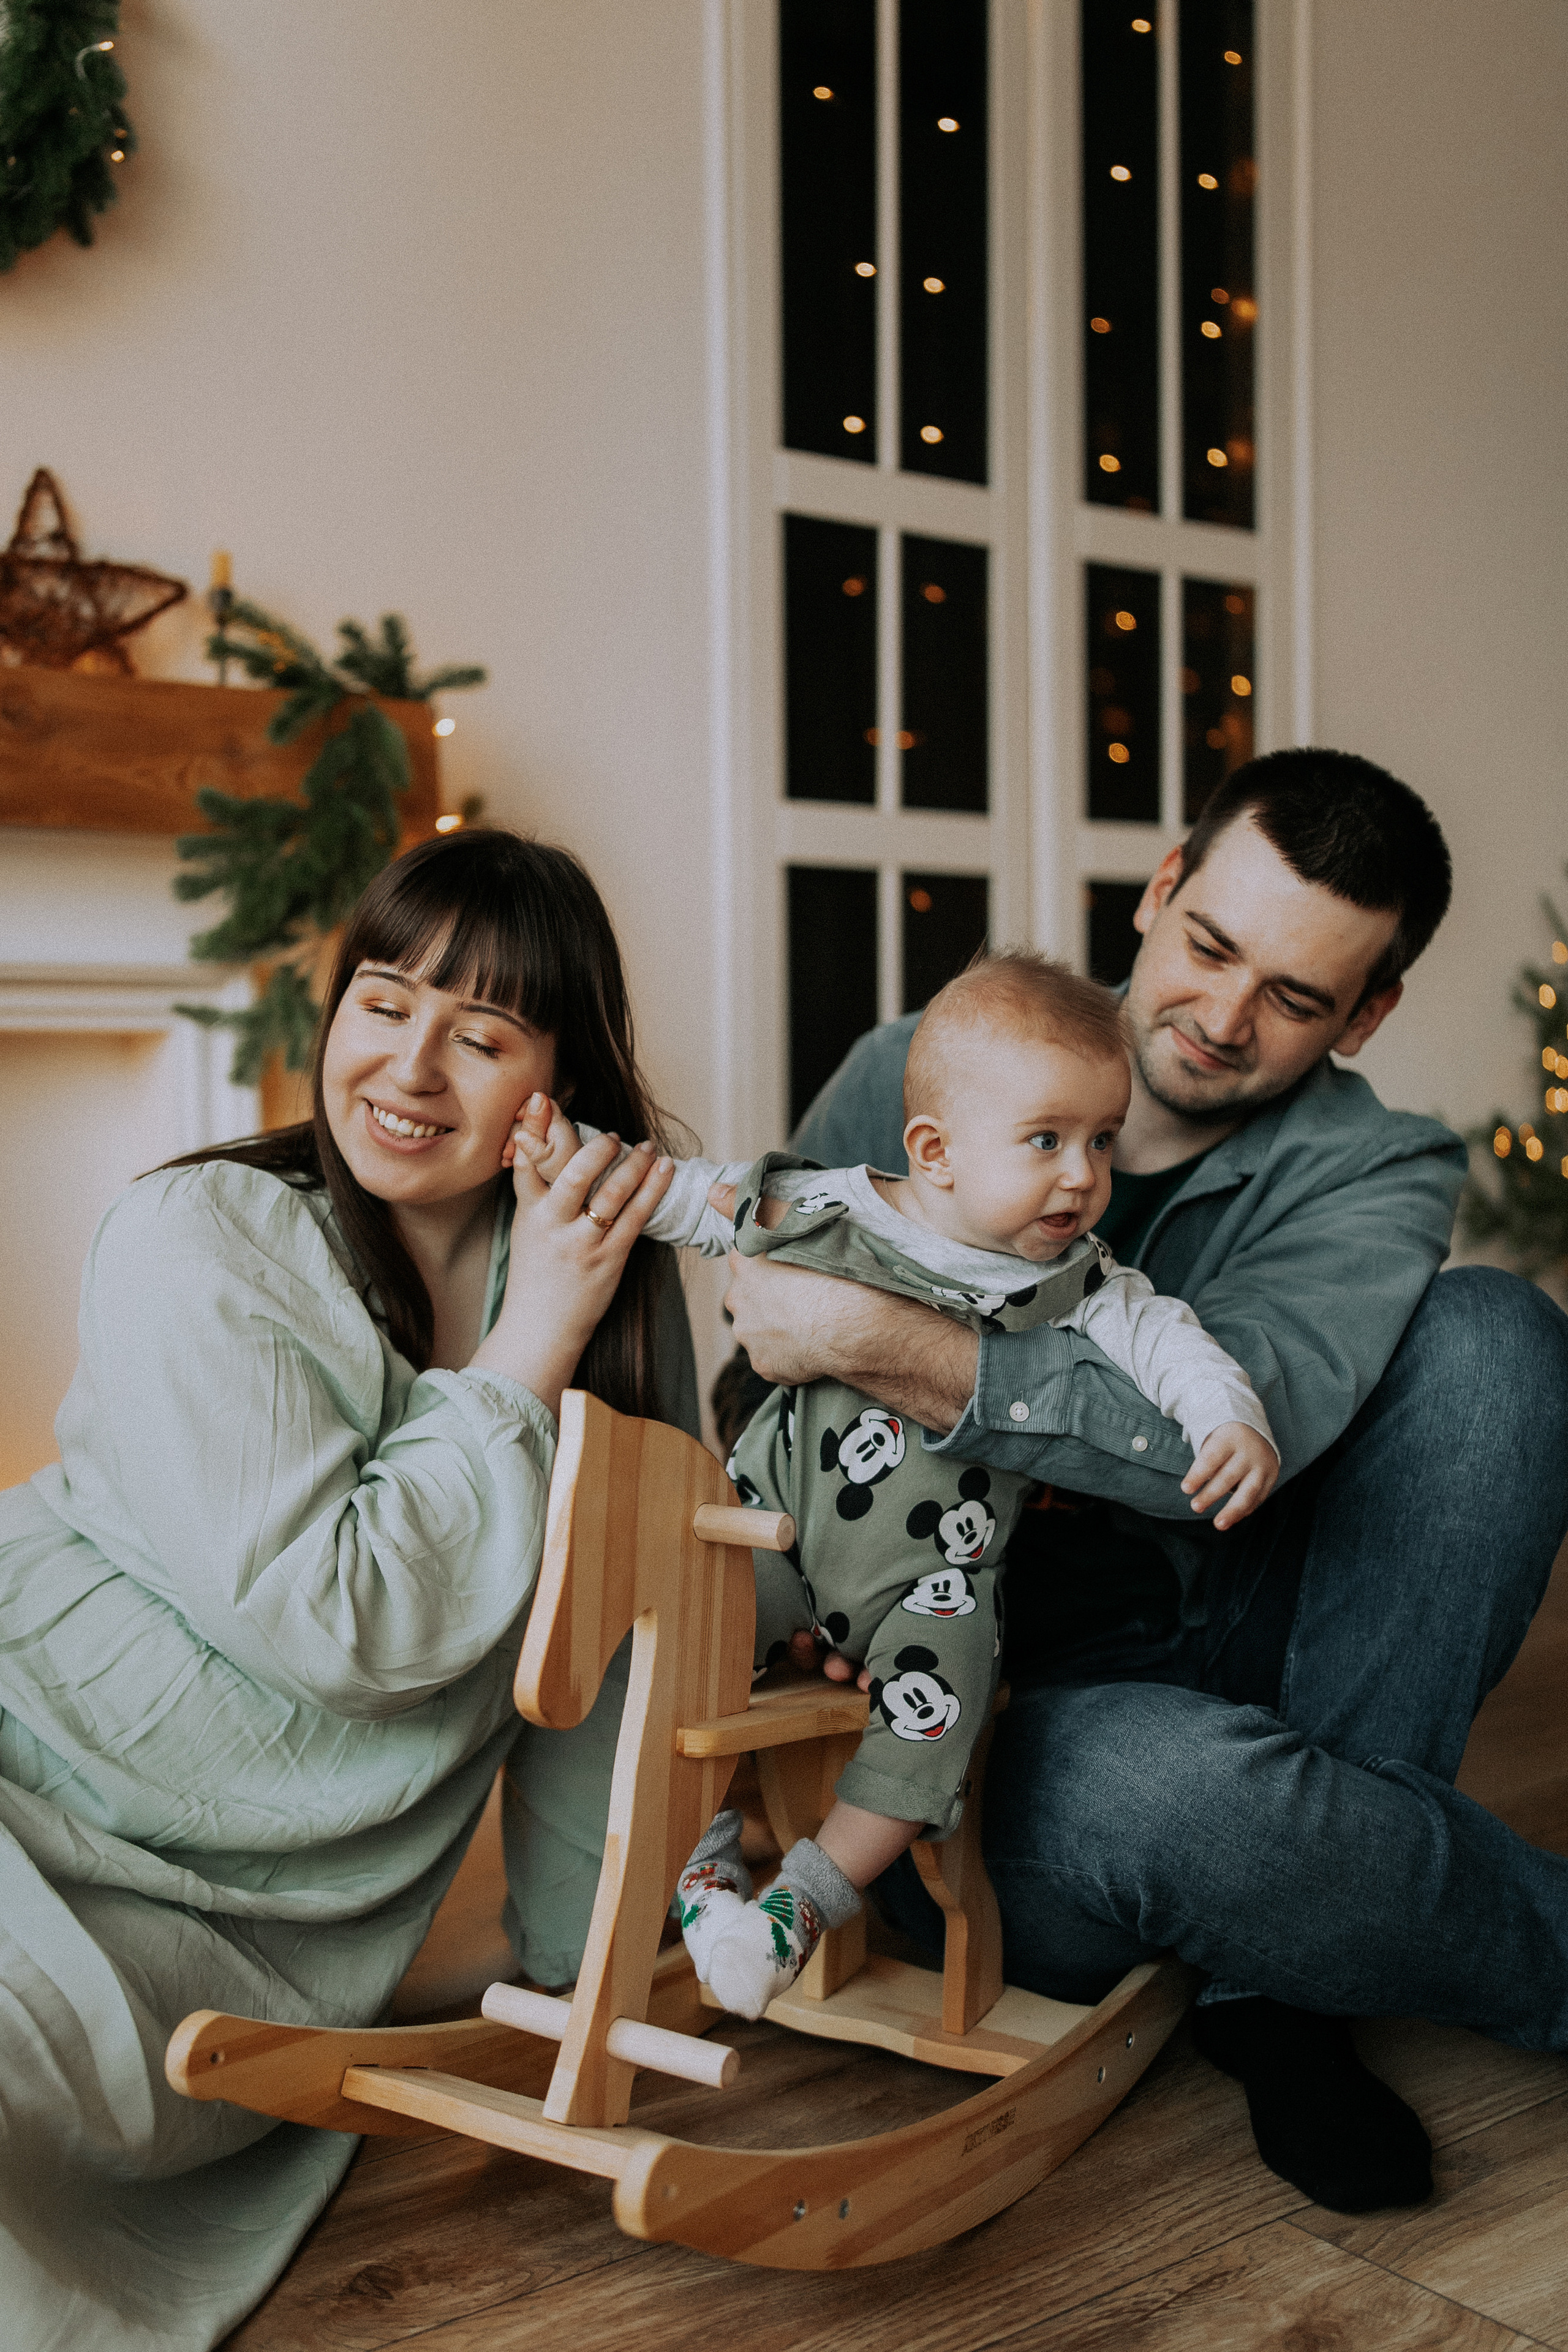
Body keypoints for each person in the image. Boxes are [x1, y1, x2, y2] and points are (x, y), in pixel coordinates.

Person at [715, 749, 1568, 2216]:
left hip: (1245, 1639)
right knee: (1172, 1796)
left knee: (1495, 1338)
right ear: (1157, 891)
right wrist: (797, 1586)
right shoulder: (913, 1064)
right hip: (987, 1724)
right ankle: (1300, 1933)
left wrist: (893, 1345)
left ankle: (1286, 1968)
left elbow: (1215, 1459)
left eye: (1295, 998)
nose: (1222, 1018)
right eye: (1209, 946)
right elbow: (764, 1359)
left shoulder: (1377, 1169)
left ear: (1365, 1014)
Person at [0, 829, 684, 2352]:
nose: (411, 1068)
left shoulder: (587, 1279)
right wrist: (519, 1364)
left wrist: (587, 1967)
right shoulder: (200, 1238)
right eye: (384, 1002)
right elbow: (336, 1619)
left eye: (484, 1033)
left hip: (260, 1910)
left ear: (554, 1082)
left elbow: (608, 1641)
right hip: (35, 1750)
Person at [516, 953, 1276, 2018]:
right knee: (666, 1640)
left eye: (1101, 1141)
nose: (1083, 1176)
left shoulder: (1080, 1281)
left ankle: (798, 1912)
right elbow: (681, 1195)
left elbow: (1171, 1344)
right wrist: (574, 1161)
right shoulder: (828, 1210)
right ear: (936, 1151)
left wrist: (1227, 1416)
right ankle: (703, 1873)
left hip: (931, 1581)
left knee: (941, 1707)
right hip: (768, 1537)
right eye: (1047, 1141)